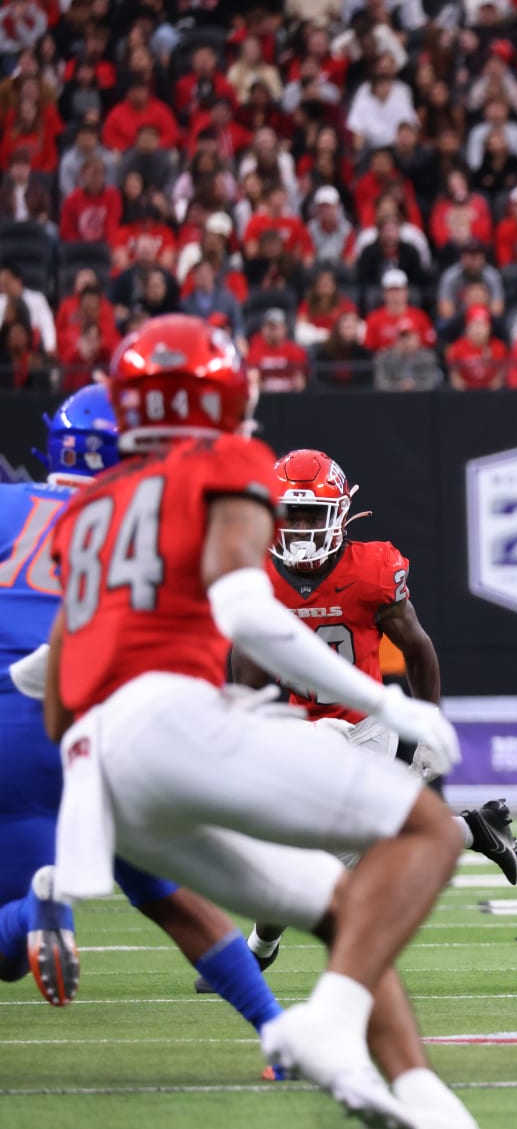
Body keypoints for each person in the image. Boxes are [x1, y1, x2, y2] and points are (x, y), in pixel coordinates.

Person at [34, 317, 473, 1125]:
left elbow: (54, 687)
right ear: (221, 392)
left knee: (347, 910)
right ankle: (331, 1027)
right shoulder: (224, 463)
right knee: (432, 832)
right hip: (169, 725)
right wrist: (386, 700)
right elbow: (246, 611)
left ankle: (418, 1093)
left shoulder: (87, 509)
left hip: (100, 766)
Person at [0, 387, 288, 1059]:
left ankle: (32, 911)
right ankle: (279, 1033)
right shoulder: (145, 526)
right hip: (94, 720)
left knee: (11, 955)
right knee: (166, 894)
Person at [218, 448, 517, 988]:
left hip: (367, 728)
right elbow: (245, 662)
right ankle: (475, 831)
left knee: (319, 852)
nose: (302, 528)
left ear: (340, 514)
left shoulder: (372, 568)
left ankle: (259, 951)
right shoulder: (257, 574)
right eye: (293, 514)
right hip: (297, 729)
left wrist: (429, 727)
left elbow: (419, 650)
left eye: (313, 515)